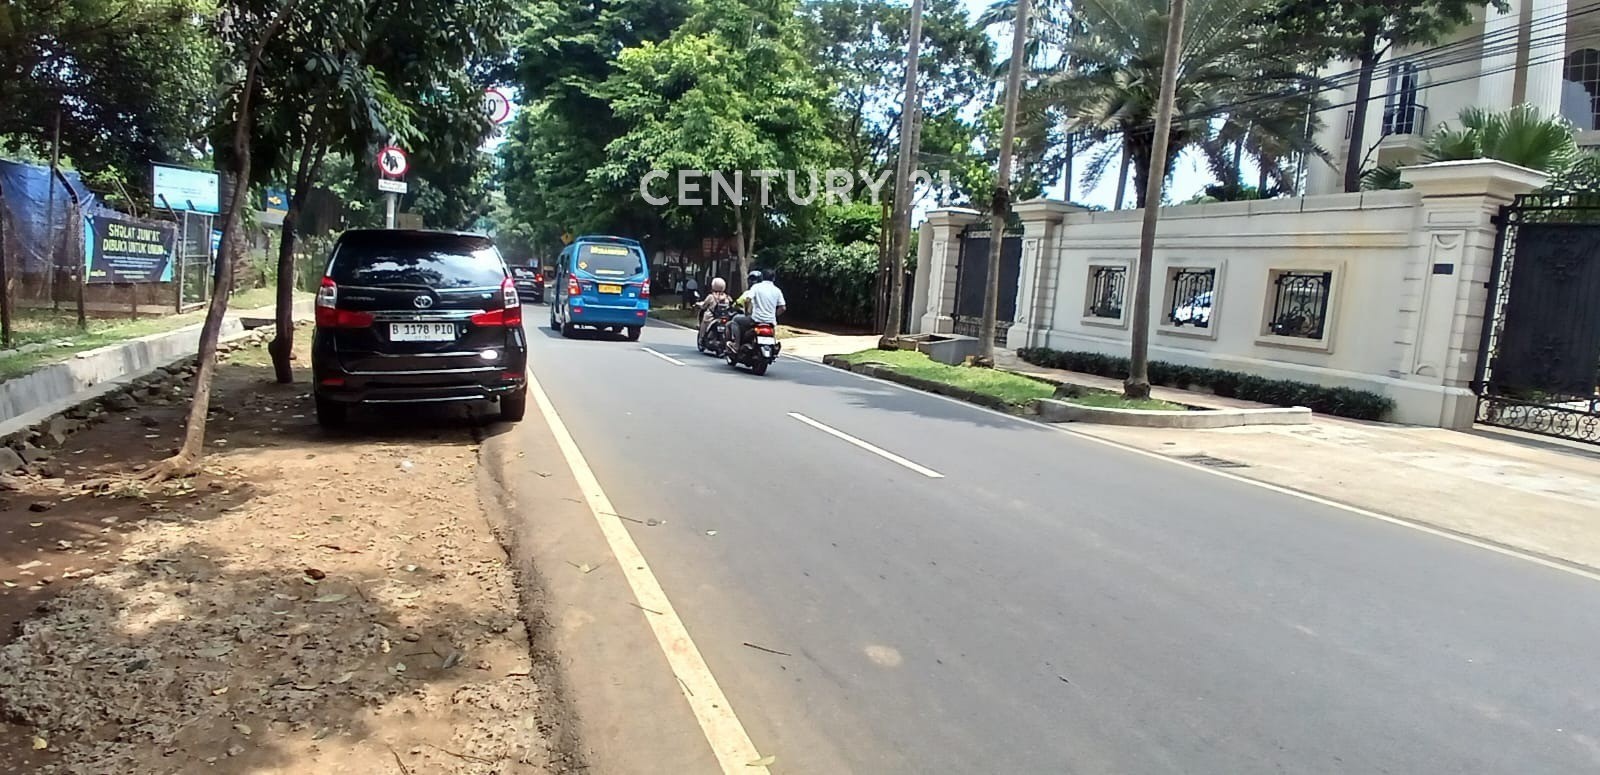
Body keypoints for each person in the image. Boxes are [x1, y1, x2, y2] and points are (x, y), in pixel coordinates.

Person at [726, 269, 786, 353]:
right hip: (771, 322)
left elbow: (747, 300)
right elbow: (783, 308)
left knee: (735, 319)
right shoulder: (777, 290)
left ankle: (736, 345)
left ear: (762, 277)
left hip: (756, 319)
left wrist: (747, 312)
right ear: (774, 278)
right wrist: (774, 315)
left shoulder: (756, 287)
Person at [697, 277, 733, 341]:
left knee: (704, 323)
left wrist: (699, 304)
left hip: (711, 317)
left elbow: (704, 306)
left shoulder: (711, 296)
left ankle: (702, 337)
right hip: (725, 317)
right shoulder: (727, 297)